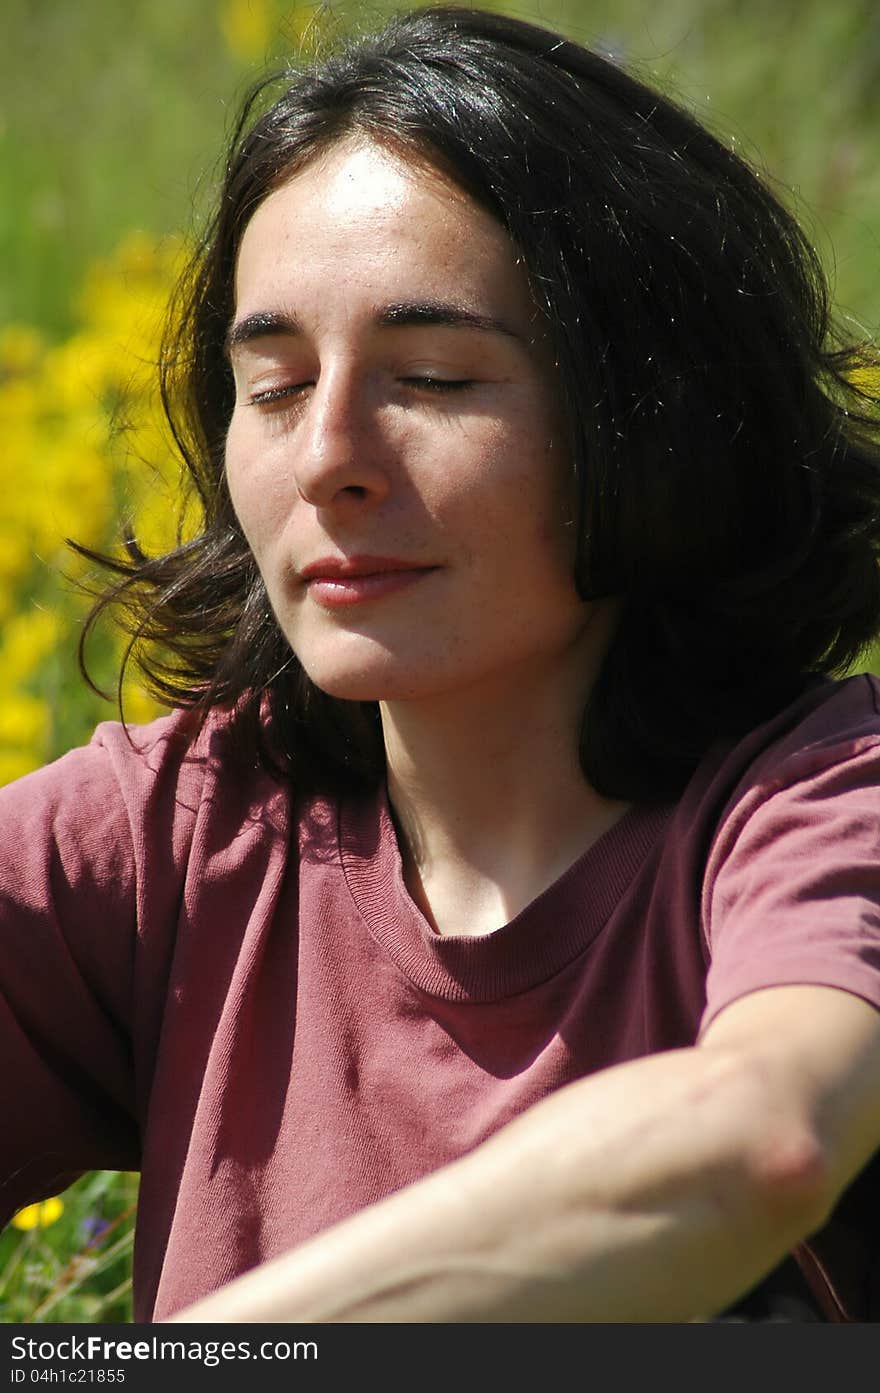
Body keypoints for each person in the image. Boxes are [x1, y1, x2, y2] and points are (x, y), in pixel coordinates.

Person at [2, 4, 880, 1324]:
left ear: (646, 416)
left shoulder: (825, 798)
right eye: (278, 383)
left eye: (432, 378)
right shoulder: (178, 830)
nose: (330, 458)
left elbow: (759, 1142)